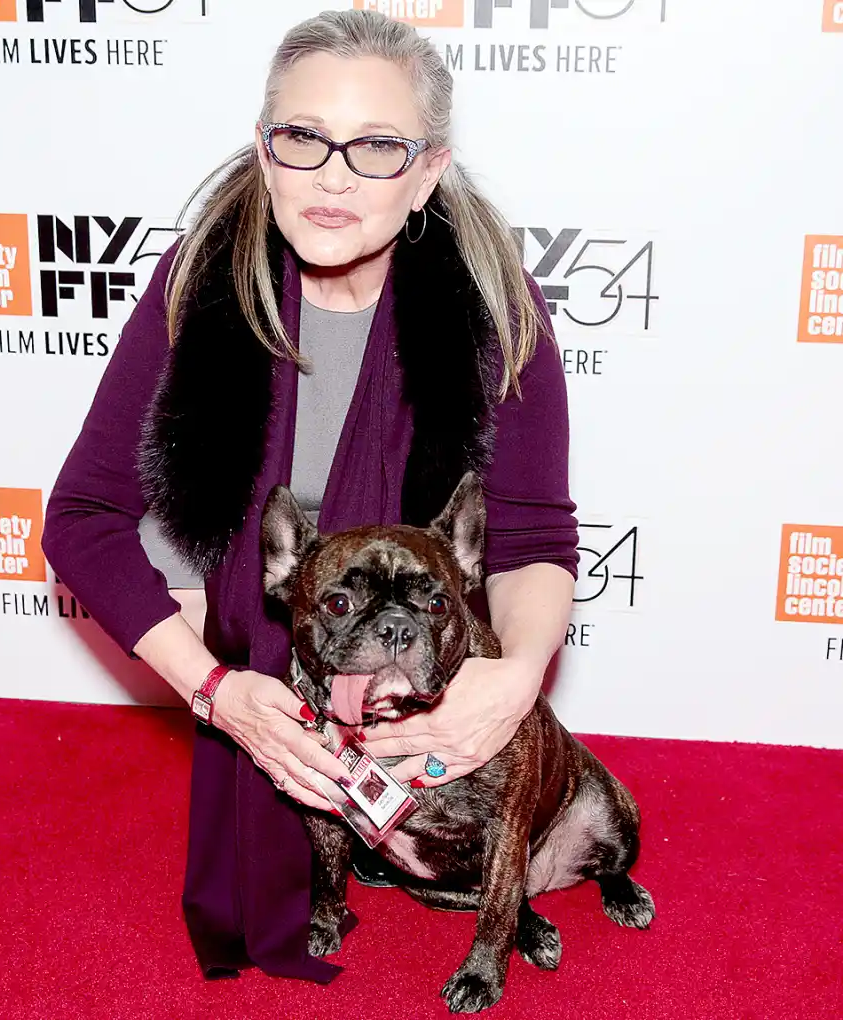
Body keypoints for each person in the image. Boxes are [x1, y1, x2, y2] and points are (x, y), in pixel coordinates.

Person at [41, 8, 579, 986]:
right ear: (264, 150)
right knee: (262, 902)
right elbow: (81, 521)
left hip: (431, 666)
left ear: (426, 171)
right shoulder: (194, 287)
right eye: (304, 138)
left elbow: (533, 534)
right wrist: (216, 692)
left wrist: (516, 676)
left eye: (377, 147)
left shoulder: (493, 303)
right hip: (266, 675)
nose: (334, 175)